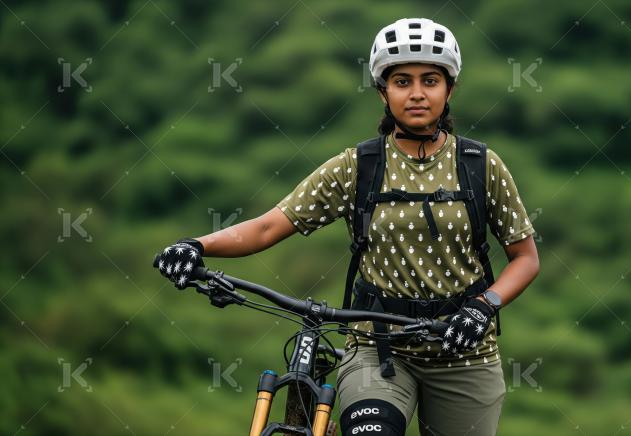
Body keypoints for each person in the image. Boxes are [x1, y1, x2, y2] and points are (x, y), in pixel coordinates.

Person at [154, 18, 539, 436]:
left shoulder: (481, 165)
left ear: (449, 89)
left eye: (430, 80)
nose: (416, 93)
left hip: (465, 354)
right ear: (382, 91)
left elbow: (525, 259)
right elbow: (267, 227)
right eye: (401, 81)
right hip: (378, 350)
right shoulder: (358, 166)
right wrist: (196, 245)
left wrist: (485, 306)